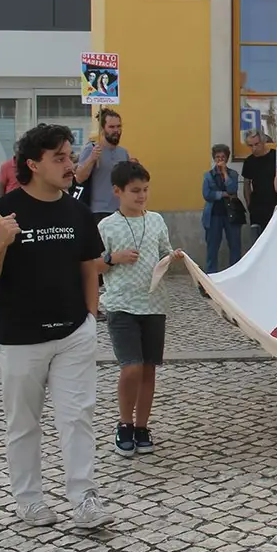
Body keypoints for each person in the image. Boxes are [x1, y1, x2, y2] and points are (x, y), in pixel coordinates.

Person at [0, 123, 113, 529]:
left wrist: (89, 317)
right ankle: (29, 500)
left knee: (77, 417)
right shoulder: (1, 212)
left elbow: (89, 267)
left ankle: (84, 498)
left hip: (73, 335)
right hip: (19, 339)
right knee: (23, 424)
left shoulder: (76, 211)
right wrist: (0, 243)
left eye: (70, 155)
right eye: (60, 158)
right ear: (33, 164)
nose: (71, 164)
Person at [96, 161, 182, 458]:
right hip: (121, 305)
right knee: (130, 367)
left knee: (148, 369)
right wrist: (113, 258)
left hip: (154, 305)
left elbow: (163, 253)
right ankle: (124, 423)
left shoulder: (156, 220)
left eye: (145, 190)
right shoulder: (106, 226)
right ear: (118, 192)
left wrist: (174, 257)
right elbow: (91, 264)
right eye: (135, 191)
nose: (142, 196)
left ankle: (142, 426)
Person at [75, 108, 130, 226]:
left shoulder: (123, 152)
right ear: (102, 129)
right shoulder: (91, 149)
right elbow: (79, 177)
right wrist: (92, 159)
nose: (116, 130)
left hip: (120, 211)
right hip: (98, 211)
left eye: (118, 126)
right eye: (111, 127)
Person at [202, 144, 243, 273]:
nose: (220, 160)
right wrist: (222, 194)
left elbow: (232, 189)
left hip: (231, 214)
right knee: (212, 248)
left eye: (223, 157)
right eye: (217, 157)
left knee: (235, 246)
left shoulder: (233, 174)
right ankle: (210, 276)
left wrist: (225, 173)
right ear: (214, 158)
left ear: (227, 159)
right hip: (214, 215)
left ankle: (234, 274)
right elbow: (207, 194)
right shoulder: (208, 176)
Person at [240, 130, 277, 235]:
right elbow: (246, 184)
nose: (254, 148)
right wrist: (249, 205)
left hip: (275, 204)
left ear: (263, 142)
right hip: (257, 207)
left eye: (257, 144)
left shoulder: (275, 157)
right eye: (250, 145)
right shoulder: (249, 161)